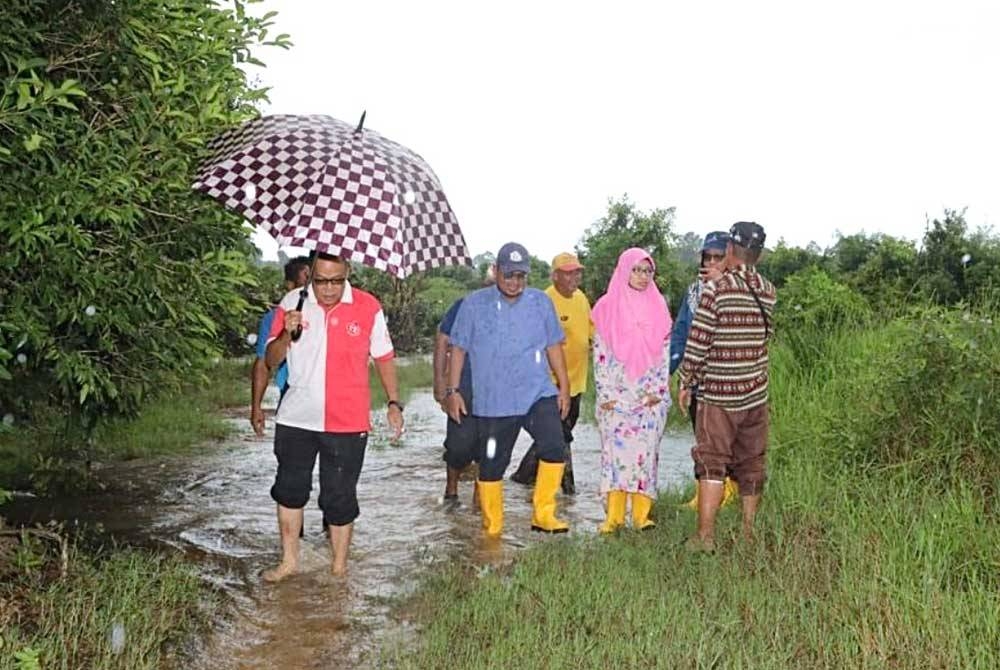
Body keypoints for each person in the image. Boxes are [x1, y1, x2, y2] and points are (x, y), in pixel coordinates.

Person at [262, 252, 405, 580]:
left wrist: (393, 403)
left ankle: (339, 569)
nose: (328, 289)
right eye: (321, 281)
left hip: (348, 421)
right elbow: (270, 360)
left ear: (347, 273)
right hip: (296, 417)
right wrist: (285, 334)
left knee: (339, 497)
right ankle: (289, 562)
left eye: (336, 281)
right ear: (310, 275)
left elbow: (384, 357)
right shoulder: (292, 302)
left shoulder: (368, 306)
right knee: (289, 490)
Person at [445, 242, 572, 537]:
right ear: (495, 271)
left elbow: (553, 345)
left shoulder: (541, 302)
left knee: (554, 446)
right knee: (492, 465)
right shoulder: (473, 305)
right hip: (494, 400)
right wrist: (452, 391)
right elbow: (458, 349)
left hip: (536, 392)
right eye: (508, 275)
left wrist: (563, 387)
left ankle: (544, 514)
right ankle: (492, 528)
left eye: (521, 276)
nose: (515, 282)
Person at [678, 221, 776, 551]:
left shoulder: (716, 290)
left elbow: (698, 342)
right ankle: (748, 534)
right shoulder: (768, 291)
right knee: (751, 462)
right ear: (759, 255)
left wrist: (686, 381)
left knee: (711, 461)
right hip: (755, 394)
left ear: (730, 249)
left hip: (719, 393)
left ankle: (705, 537)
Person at [592, 248, 673, 533]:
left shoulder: (658, 306)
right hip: (616, 395)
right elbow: (600, 354)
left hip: (648, 397)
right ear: (624, 270)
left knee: (645, 455)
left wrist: (658, 391)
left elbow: (664, 354)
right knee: (615, 456)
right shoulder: (607, 306)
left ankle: (641, 517)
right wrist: (606, 394)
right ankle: (614, 518)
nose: (642, 276)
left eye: (647, 271)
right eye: (636, 270)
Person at [510, 252, 593, 494]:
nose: (574, 278)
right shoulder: (543, 302)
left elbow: (591, 330)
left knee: (555, 435)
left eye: (577, 273)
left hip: (576, 382)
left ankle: (523, 478)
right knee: (561, 436)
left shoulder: (581, 298)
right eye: (568, 273)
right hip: (551, 385)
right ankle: (569, 491)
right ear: (554, 276)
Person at [668, 233, 738, 509]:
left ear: (729, 259)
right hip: (698, 379)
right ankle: (704, 493)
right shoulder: (693, 292)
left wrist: (719, 286)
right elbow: (680, 333)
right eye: (707, 257)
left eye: (717, 257)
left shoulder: (739, 290)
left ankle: (730, 491)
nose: (711, 263)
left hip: (728, 380)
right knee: (703, 437)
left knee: (727, 440)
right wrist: (669, 372)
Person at [432, 266, 495, 504]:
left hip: (497, 392)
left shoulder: (515, 311)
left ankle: (481, 497)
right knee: (458, 445)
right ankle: (451, 491)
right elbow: (442, 341)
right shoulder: (464, 306)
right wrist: (440, 384)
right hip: (462, 387)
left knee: (488, 445)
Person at [250, 256, 310, 436]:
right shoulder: (274, 318)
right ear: (290, 286)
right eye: (305, 277)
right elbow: (263, 363)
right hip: (292, 400)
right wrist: (256, 407)